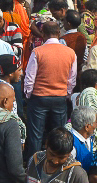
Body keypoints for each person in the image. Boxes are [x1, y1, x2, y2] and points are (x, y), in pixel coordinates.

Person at [24, 20, 78, 159]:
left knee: (35, 135)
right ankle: (58, 162)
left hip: (39, 97)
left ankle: (33, 165)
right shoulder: (70, 53)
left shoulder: (38, 52)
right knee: (59, 134)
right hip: (59, 97)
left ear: (43, 34)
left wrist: (29, 95)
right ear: (59, 33)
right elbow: (72, 79)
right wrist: (66, 94)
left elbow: (30, 78)